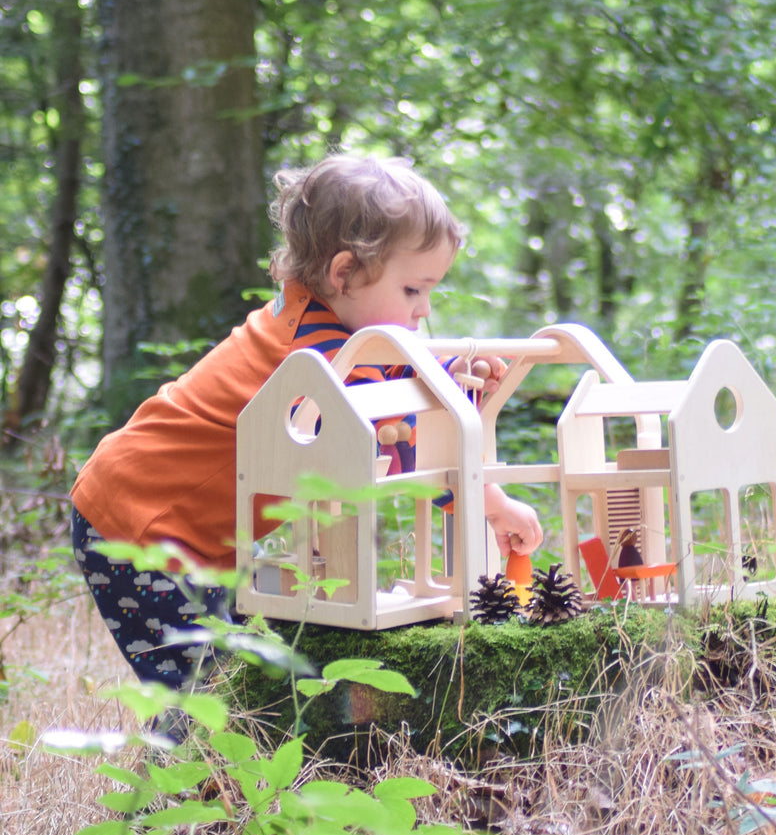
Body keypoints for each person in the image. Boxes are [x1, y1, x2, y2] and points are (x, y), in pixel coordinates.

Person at [71, 154, 543, 689]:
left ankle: (215, 768)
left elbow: (398, 385)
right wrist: (495, 506)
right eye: (412, 290)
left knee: (233, 680)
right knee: (205, 693)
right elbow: (403, 448)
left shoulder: (329, 327)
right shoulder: (313, 358)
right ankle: (185, 770)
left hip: (192, 534)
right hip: (137, 522)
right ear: (344, 273)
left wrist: (453, 382)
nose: (423, 309)